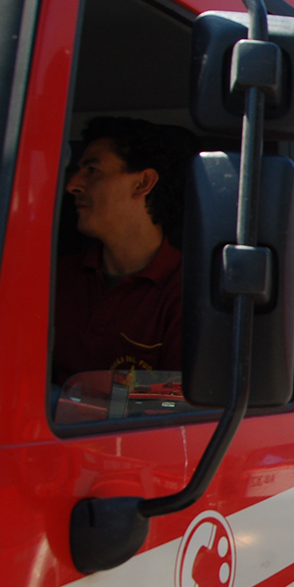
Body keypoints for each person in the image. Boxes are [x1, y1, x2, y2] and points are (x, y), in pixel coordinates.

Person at [53, 116, 198, 385]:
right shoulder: (54, 279)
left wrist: (95, 398)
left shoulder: (189, 293)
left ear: (142, 183)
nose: (72, 184)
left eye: (92, 170)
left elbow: (180, 406)